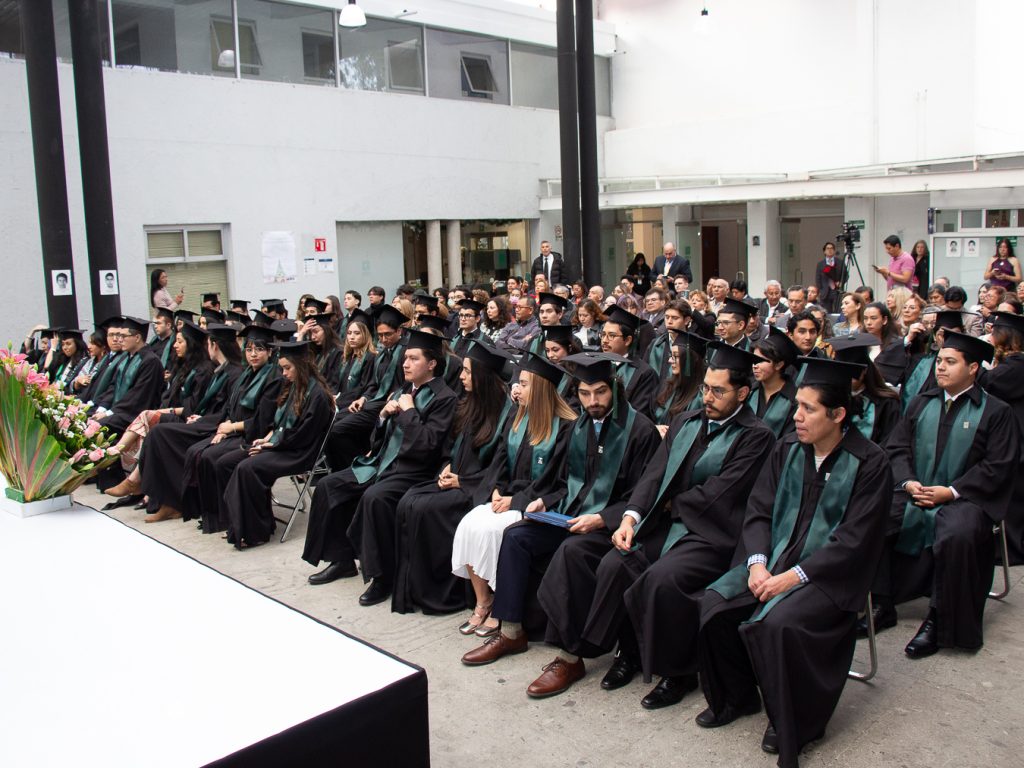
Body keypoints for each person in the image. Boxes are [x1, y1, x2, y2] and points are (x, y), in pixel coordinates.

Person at [533, 343, 771, 709]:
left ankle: (677, 671)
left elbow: (721, 494)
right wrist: (631, 518)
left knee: (661, 578)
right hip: (666, 523)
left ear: (742, 393)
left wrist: (668, 503)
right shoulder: (686, 421)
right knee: (609, 559)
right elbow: (654, 476)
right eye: (705, 388)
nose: (707, 397)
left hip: (712, 535)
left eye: (718, 391)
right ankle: (624, 651)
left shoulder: (756, 435)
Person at [696, 356, 893, 767]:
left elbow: (853, 540)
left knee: (779, 624)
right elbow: (758, 511)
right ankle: (737, 697)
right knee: (714, 604)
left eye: (808, 408)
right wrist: (756, 564)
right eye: (797, 405)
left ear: (838, 415)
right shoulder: (786, 448)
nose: (796, 416)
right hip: (774, 561)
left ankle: (794, 721)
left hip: (830, 576)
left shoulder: (870, 462)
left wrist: (792, 578)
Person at [461, 354, 661, 697]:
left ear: (615, 389)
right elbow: (565, 483)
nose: (592, 401)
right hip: (573, 516)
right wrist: (544, 502)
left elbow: (646, 495)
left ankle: (569, 658)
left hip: (612, 527)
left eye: (600, 392)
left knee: (572, 552)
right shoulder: (580, 427)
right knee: (516, 536)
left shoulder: (639, 430)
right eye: (584, 393)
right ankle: (511, 632)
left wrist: (603, 518)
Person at [870, 332, 1016, 659]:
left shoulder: (996, 411)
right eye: (939, 361)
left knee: (958, 534)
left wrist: (950, 491)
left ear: (973, 368)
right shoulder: (921, 403)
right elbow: (897, 448)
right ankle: (881, 602)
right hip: (917, 489)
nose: (941, 368)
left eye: (951, 362)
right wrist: (908, 482)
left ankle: (940, 618)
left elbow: (997, 466)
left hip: (967, 497)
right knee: (875, 517)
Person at [303, 331, 458, 605]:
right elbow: (379, 439)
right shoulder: (402, 390)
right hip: (381, 462)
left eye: (414, 359)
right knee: (328, 485)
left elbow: (428, 445)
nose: (405, 364)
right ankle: (342, 560)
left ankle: (382, 577)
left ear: (432, 363)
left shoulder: (445, 398)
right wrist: (383, 417)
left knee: (375, 498)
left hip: (413, 470)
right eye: (405, 358)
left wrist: (409, 412)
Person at [450, 353, 576, 637]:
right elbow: (499, 463)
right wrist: (495, 489)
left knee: (493, 530)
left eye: (525, 384)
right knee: (470, 523)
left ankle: (500, 606)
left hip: (534, 503)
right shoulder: (517, 418)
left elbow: (557, 481)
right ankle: (483, 601)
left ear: (541, 388)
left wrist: (515, 501)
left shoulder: (566, 426)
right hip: (506, 497)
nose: (517, 389)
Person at [392, 344, 515, 616]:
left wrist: (463, 482)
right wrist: (447, 465)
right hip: (456, 479)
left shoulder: (507, 413)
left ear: (482, 376)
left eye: (468, 372)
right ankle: (413, 590)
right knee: (409, 500)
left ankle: (444, 594)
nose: (461, 376)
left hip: (477, 489)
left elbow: (500, 467)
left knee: (426, 508)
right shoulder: (468, 403)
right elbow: (450, 446)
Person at [222, 340, 333, 549]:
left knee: (248, 468)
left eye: (288, 368)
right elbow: (279, 423)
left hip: (300, 452)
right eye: (282, 368)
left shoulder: (317, 395)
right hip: (285, 445)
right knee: (233, 462)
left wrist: (273, 445)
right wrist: (267, 438)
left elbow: (303, 434)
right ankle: (243, 525)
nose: (283, 373)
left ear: (301, 365)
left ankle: (257, 532)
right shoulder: (293, 387)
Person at [133, 324, 245, 521]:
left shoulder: (234, 374)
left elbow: (228, 411)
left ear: (214, 345)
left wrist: (202, 418)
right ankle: (165, 500)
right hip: (208, 422)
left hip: (216, 427)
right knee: (159, 431)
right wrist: (200, 416)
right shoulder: (221, 371)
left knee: (161, 434)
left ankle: (168, 500)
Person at [104, 320, 213, 495]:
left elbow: (193, 406)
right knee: (148, 419)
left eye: (180, 341)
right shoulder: (184, 367)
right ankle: (129, 470)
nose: (175, 346)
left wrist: (167, 410)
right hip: (176, 414)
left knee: (151, 423)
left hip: (189, 419)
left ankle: (127, 468)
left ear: (191, 344)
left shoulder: (204, 370)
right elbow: (168, 397)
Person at [193, 325, 283, 534]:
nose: (253, 354)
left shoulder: (274, 378)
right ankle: (217, 517)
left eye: (259, 349)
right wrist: (222, 430)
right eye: (249, 349)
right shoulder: (246, 374)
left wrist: (232, 427)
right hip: (236, 431)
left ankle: (234, 520)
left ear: (270, 352)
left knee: (216, 459)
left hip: (254, 435)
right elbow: (229, 408)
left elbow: (263, 420)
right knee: (202, 454)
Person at [324, 306, 408, 471]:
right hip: (372, 403)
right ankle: (341, 469)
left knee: (336, 430)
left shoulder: (406, 352)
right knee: (331, 422)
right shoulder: (383, 354)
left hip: (387, 406)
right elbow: (373, 384)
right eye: (380, 335)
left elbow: (409, 382)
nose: (383, 339)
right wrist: (363, 398)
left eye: (387, 334)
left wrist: (396, 394)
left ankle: (355, 468)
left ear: (399, 331)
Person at [981, 312, 1024, 564]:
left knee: (1015, 499)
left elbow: (988, 382)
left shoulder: (1017, 365)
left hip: (1017, 438)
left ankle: (1013, 549)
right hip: (1014, 435)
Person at [828, 333, 900, 445]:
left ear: (864, 370)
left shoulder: (886, 404)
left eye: (852, 371)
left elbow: (890, 443)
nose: (846, 377)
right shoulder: (829, 399)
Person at [600, 306, 659, 419]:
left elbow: (639, 413)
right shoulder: (595, 364)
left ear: (627, 340)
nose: (604, 340)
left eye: (611, 336)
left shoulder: (644, 373)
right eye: (603, 335)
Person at [750, 327, 799, 437]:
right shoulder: (750, 391)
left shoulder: (795, 400)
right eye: (754, 360)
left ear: (778, 365)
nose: (755, 366)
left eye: (761, 361)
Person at [653, 334, 706, 428]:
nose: (670, 360)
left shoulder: (700, 398)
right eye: (671, 355)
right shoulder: (669, 387)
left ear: (690, 361)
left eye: (676, 356)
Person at [335, 316, 377, 410]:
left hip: (353, 405)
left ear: (365, 335)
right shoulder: (346, 357)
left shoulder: (370, 358)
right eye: (349, 333)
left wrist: (339, 399)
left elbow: (362, 387)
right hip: (339, 401)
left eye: (357, 333)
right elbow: (336, 382)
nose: (352, 337)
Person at [644, 299, 691, 380]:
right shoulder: (656, 344)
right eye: (667, 317)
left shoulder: (693, 345)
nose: (669, 321)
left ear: (686, 320)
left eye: (675, 318)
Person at [813, 242, 845, 313]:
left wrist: (841, 282)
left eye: (831, 248)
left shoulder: (840, 262)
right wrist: (821, 290)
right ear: (824, 251)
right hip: (825, 292)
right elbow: (818, 279)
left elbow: (846, 275)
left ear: (834, 250)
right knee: (826, 312)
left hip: (837, 290)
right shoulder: (820, 264)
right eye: (827, 248)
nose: (830, 250)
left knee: (838, 311)